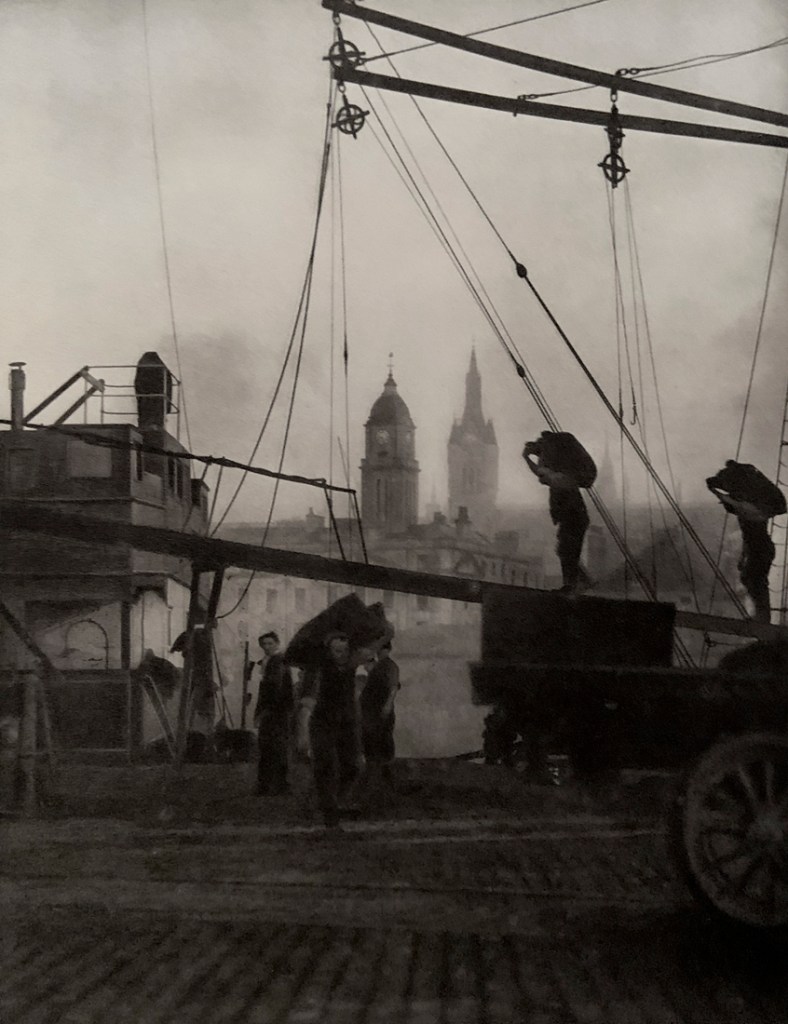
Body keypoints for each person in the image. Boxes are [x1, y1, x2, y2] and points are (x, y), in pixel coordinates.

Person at [297, 632, 366, 829]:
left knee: (353, 766)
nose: (341, 654)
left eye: (344, 650)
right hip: (323, 724)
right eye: (337, 650)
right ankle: (330, 815)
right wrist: (303, 732)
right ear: (329, 651)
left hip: (347, 724)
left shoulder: (352, 668)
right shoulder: (318, 670)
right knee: (325, 767)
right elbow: (307, 702)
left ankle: (333, 802)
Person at [707, 461, 786, 624]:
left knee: (755, 580)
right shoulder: (751, 511)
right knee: (751, 578)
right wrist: (743, 556)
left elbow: (741, 507)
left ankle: (762, 618)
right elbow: (747, 535)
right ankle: (761, 616)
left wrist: (718, 494)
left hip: (761, 549)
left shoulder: (751, 511)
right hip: (758, 548)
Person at [522, 432, 593, 594]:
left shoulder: (559, 477)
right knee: (565, 550)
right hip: (573, 517)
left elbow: (542, 474)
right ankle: (580, 581)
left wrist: (527, 457)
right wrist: (532, 455)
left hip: (572, 517)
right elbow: (544, 473)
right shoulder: (562, 475)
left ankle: (572, 585)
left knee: (567, 551)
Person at [253, 631, 294, 795]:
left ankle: (272, 785)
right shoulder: (271, 661)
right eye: (264, 644)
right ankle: (274, 784)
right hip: (275, 710)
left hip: (276, 710)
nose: (267, 647)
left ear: (277, 644)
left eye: (270, 643)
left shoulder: (277, 661)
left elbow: (274, 688)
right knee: (272, 748)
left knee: (273, 748)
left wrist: (264, 711)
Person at [360, 640, 400, 798]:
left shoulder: (389, 665)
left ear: (387, 650)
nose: (379, 652)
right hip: (372, 714)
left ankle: (384, 782)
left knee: (382, 744)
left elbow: (393, 687)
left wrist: (387, 706)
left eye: (381, 649)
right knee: (372, 744)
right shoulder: (378, 666)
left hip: (380, 714)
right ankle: (377, 782)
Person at [134, 351, 173, 431]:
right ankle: (153, 425)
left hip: (146, 403)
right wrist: (167, 406)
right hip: (156, 404)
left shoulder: (143, 368)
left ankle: (149, 425)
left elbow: (138, 385)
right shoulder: (163, 370)